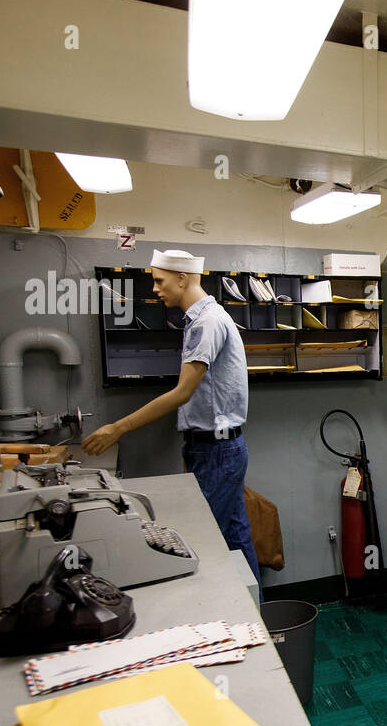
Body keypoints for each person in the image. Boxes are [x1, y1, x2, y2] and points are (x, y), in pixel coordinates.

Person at [83, 249, 260, 590]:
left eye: (159, 280)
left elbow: (182, 393)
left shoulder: (206, 323)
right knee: (236, 540)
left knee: (204, 546)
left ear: (183, 278)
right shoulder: (208, 318)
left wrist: (118, 428)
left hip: (216, 453)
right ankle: (258, 616)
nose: (155, 288)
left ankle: (224, 623)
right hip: (219, 449)